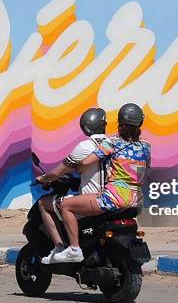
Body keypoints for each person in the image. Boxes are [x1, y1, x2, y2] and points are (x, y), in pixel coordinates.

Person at [38, 103, 151, 263]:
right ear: (140, 123)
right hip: (136, 202)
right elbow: (146, 169)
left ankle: (74, 249)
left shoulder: (113, 142)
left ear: (119, 123)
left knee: (65, 206)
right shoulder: (146, 146)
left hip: (114, 199)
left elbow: (86, 162)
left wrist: (78, 167)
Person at [36, 108, 108, 264]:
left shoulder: (85, 147)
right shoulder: (114, 144)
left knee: (44, 203)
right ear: (104, 124)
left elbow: (58, 172)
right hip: (113, 199)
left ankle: (62, 248)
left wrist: (44, 178)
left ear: (85, 127)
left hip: (92, 202)